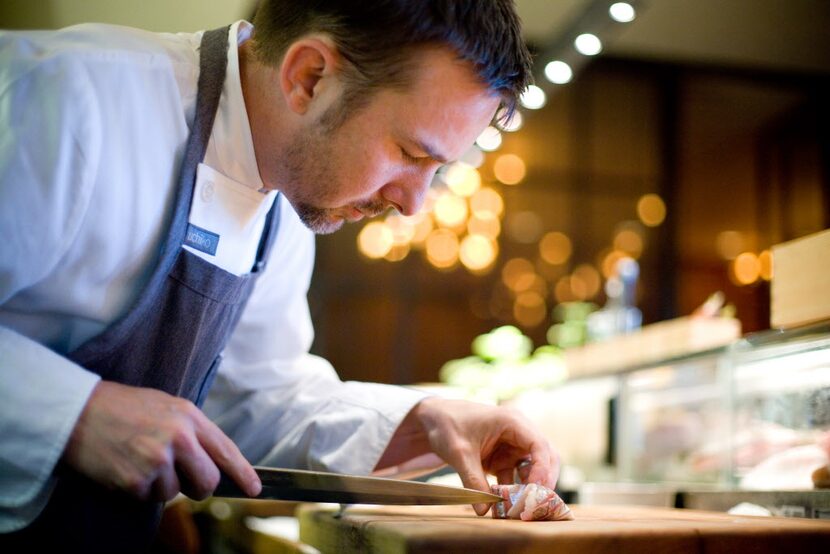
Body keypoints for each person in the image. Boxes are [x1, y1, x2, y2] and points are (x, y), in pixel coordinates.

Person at [0, 1, 559, 550]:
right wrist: (76, 414)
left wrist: (429, 420)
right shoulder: (64, 97)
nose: (415, 204)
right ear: (309, 77)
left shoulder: (289, 197)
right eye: (410, 153)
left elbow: (257, 399)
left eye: (438, 170)